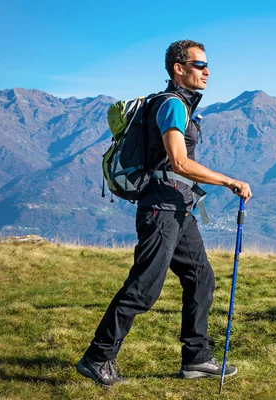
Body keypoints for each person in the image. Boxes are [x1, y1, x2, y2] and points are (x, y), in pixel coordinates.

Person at [77, 40, 252, 386]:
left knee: (201, 278)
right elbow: (179, 162)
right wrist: (229, 181)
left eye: (206, 65)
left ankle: (196, 359)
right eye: (200, 64)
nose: (207, 71)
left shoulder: (178, 104)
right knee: (144, 288)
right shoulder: (173, 105)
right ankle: (98, 357)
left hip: (178, 208)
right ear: (178, 68)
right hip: (161, 209)